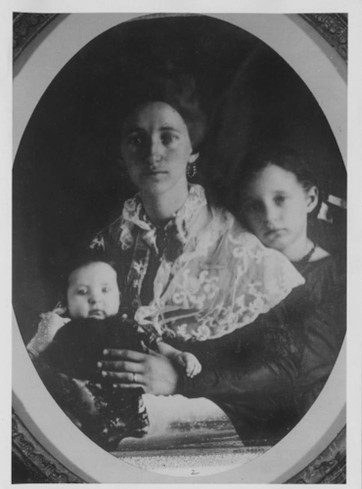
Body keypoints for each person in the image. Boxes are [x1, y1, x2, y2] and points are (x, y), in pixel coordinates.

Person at [27, 76, 306, 446]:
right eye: (137, 140)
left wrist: (181, 380)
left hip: (211, 423)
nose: (152, 153)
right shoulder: (107, 240)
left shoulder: (238, 249)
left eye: (168, 137)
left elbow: (285, 371)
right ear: (121, 157)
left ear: (193, 152)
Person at [105, 147, 345, 444]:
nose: (270, 216)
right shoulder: (239, 269)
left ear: (309, 199)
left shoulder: (337, 277)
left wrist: (179, 380)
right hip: (221, 399)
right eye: (255, 206)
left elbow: (294, 371)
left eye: (280, 199)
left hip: (287, 423)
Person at [29, 252, 202, 449]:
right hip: (83, 409)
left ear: (119, 295)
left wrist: (177, 355)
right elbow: (44, 366)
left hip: (124, 400)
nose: (95, 299)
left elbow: (156, 344)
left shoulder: (125, 326)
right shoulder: (64, 331)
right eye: (82, 292)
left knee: (130, 421)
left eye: (105, 290)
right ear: (66, 301)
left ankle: (133, 427)